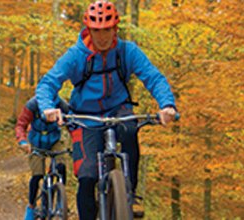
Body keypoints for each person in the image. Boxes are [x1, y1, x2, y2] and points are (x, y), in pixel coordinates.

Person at [32, 1, 180, 219]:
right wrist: (47, 108)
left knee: (130, 130)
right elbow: (47, 83)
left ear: (115, 29)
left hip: (119, 109)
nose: (102, 36)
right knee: (87, 176)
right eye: (96, 31)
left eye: (107, 30)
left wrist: (167, 105)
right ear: (89, 30)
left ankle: (130, 193)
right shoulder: (76, 56)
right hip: (85, 117)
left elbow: (154, 78)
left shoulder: (127, 52)